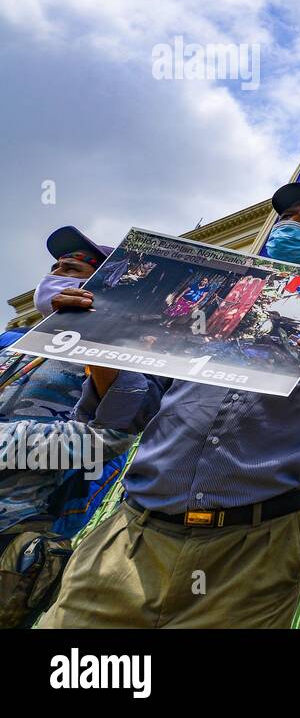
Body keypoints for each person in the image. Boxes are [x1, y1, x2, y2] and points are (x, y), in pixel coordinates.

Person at [39, 182, 300, 628]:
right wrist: (100, 343)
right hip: (135, 535)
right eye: (288, 216)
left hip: (254, 552)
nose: (290, 225)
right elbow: (133, 407)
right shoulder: (208, 294)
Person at [0, 229, 134, 627]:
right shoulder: (11, 342)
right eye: (55, 266)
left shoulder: (117, 354)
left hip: (20, 530)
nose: (59, 270)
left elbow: (111, 440)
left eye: (75, 266)